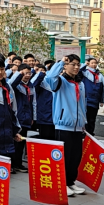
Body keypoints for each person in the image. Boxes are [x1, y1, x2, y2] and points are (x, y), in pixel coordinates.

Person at [44, 55, 88, 196]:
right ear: (66, 66)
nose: (76, 67)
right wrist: (61, 62)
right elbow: (49, 77)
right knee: (65, 157)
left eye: (78, 65)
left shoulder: (80, 84)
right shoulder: (59, 81)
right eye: (73, 64)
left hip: (78, 126)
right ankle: (62, 183)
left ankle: (70, 182)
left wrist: (83, 122)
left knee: (75, 157)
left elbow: (82, 104)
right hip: (64, 125)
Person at [9, 64, 36, 173]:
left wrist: (33, 117)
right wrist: (19, 75)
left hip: (26, 118)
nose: (27, 75)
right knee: (14, 143)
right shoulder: (16, 85)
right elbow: (11, 84)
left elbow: (33, 103)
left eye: (29, 73)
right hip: (17, 118)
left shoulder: (31, 86)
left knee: (21, 143)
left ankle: (18, 164)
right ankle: (11, 164)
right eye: (25, 73)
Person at [81, 57, 104, 135]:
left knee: (92, 119)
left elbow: (103, 88)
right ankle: (84, 135)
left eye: (95, 63)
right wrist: (85, 65)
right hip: (85, 100)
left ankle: (90, 135)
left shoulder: (100, 75)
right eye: (92, 63)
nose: (94, 65)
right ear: (88, 63)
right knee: (84, 119)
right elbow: (78, 71)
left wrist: (102, 100)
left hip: (95, 101)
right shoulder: (85, 72)